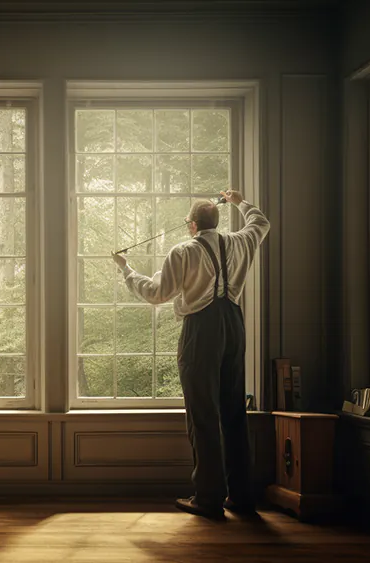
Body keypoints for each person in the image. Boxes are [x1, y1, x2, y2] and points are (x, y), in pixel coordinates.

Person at [111, 190, 270, 520]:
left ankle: (208, 498)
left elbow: (156, 293)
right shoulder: (241, 241)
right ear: (217, 220)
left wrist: (127, 270)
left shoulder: (182, 251)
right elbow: (260, 221)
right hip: (234, 326)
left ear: (192, 225)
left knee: (203, 414)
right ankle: (241, 497)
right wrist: (239, 200)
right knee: (233, 413)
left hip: (201, 329)